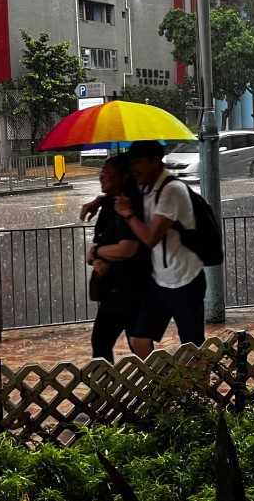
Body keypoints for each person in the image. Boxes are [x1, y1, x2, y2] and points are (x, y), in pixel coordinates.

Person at [112, 141, 206, 358]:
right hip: (160, 282)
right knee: (138, 339)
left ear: (155, 162)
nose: (133, 168)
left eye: (137, 162)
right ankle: (161, 386)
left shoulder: (172, 190)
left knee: (192, 348)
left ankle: (197, 390)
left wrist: (128, 214)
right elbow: (120, 196)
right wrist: (99, 201)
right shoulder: (146, 188)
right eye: (131, 162)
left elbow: (151, 238)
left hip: (185, 281)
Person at [86, 155, 149, 363]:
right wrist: (97, 259)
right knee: (131, 342)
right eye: (101, 172)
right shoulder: (108, 205)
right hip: (114, 290)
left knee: (115, 342)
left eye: (108, 173)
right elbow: (99, 245)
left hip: (129, 288)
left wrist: (96, 254)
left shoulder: (129, 205)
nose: (102, 177)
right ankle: (154, 388)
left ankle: (109, 391)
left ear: (123, 177)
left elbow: (126, 249)